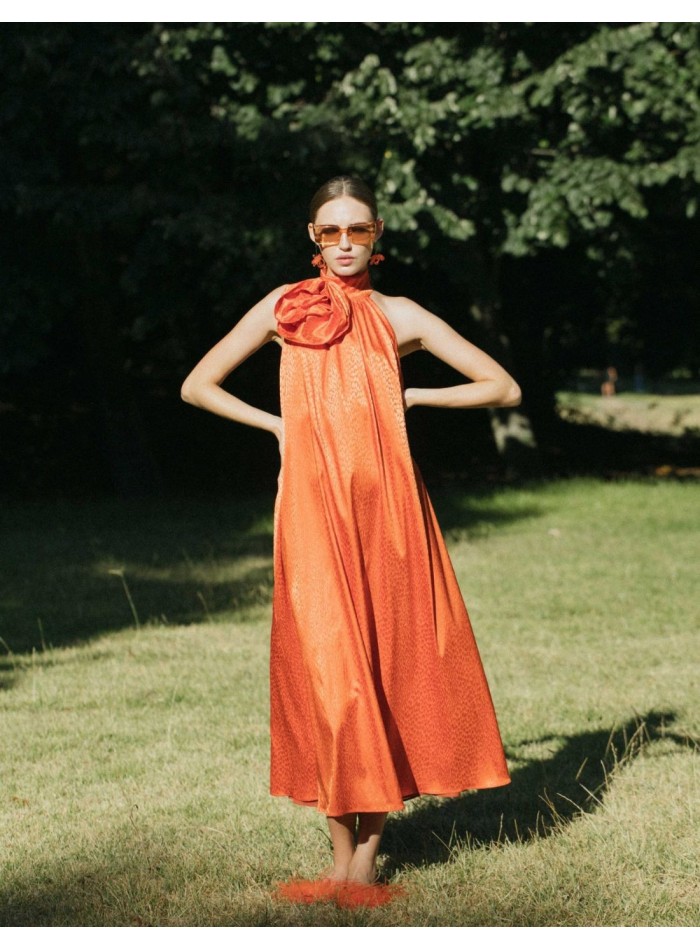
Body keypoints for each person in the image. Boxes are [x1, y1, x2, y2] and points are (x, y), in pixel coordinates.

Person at [181, 175, 520, 905]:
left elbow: (503, 387)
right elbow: (197, 385)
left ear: (378, 234)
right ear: (312, 236)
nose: (343, 244)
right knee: (329, 675)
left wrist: (415, 394)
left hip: (389, 515)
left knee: (385, 668)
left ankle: (361, 867)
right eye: (331, 231)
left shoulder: (401, 316)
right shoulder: (283, 307)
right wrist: (279, 429)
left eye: (357, 231)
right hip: (310, 510)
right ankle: (341, 861)